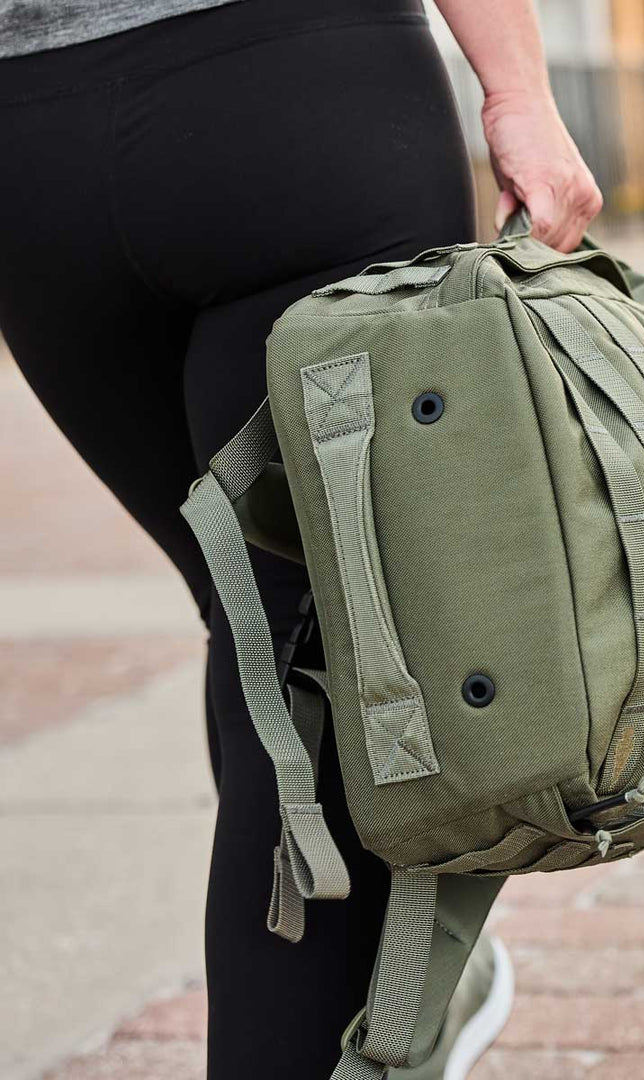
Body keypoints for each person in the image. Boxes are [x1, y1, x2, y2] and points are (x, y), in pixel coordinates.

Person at [0, 1, 601, 1077]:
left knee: (270, 641)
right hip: (304, 98)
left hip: (34, 150)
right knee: (307, 656)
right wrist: (516, 90)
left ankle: (399, 990)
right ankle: (397, 1005)